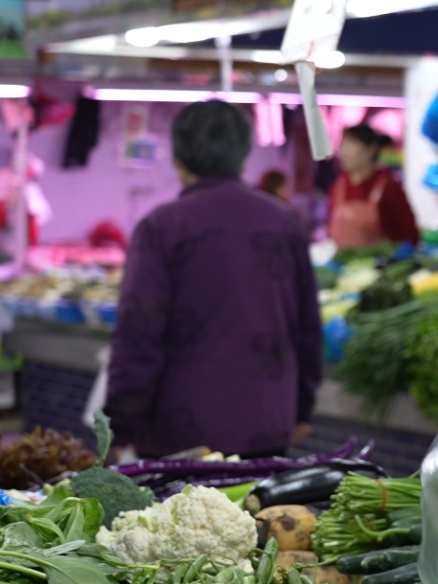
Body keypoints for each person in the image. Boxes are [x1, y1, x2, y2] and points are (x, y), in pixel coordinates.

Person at [105, 100, 322, 459]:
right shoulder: (284, 222)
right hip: (268, 422)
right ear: (243, 155)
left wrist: (120, 425)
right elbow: (307, 326)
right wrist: (302, 409)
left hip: (182, 434)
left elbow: (139, 332)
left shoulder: (162, 227)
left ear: (179, 159)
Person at [328, 124, 419, 248]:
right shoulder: (338, 187)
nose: (344, 152)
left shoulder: (388, 187)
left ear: (371, 149)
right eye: (343, 145)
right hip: (343, 259)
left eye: (351, 145)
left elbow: (410, 234)